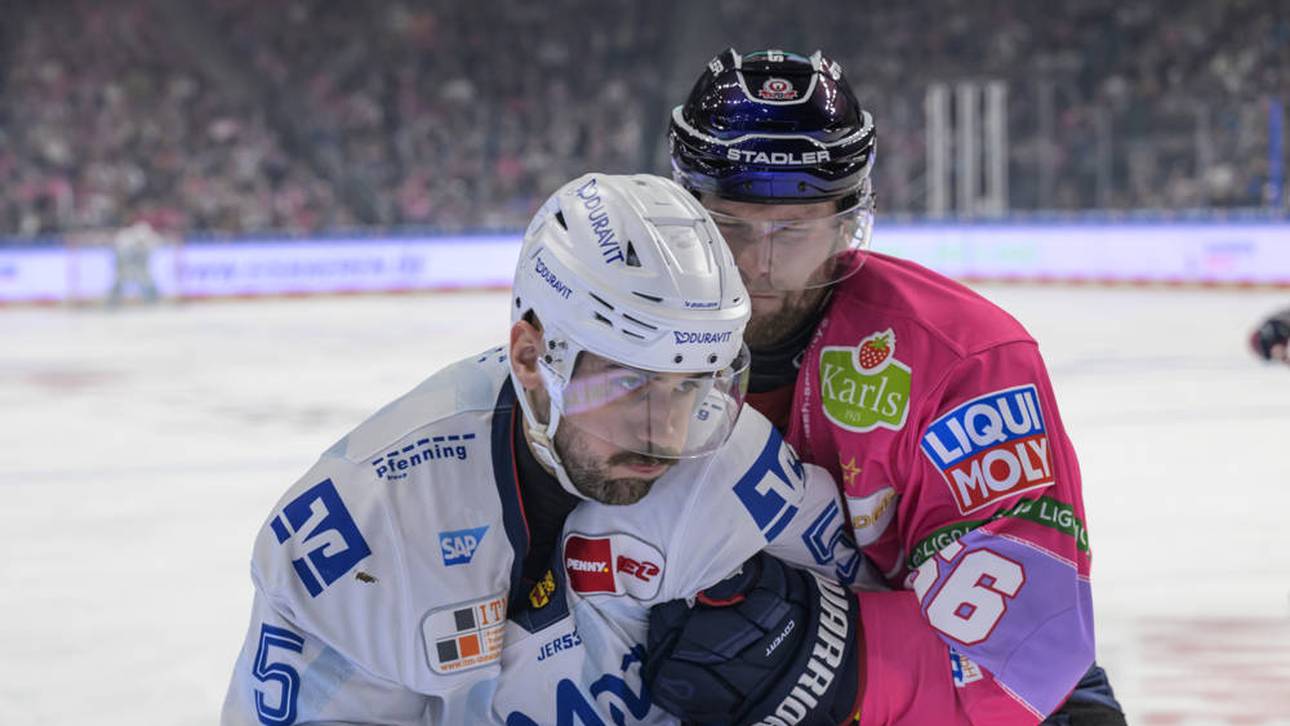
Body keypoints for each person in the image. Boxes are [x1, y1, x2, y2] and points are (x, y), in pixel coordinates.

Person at [220, 173, 872, 724]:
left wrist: (829, 673)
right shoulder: (366, 532)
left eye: (689, 387)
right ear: (531, 358)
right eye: (628, 383)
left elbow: (890, 634)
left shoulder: (727, 469)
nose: (665, 433)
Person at [644, 48, 1127, 725]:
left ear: (847, 221)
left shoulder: (965, 359)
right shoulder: (623, 340)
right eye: (730, 224)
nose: (759, 263)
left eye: (794, 227)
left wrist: (830, 669)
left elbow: (1023, 649)